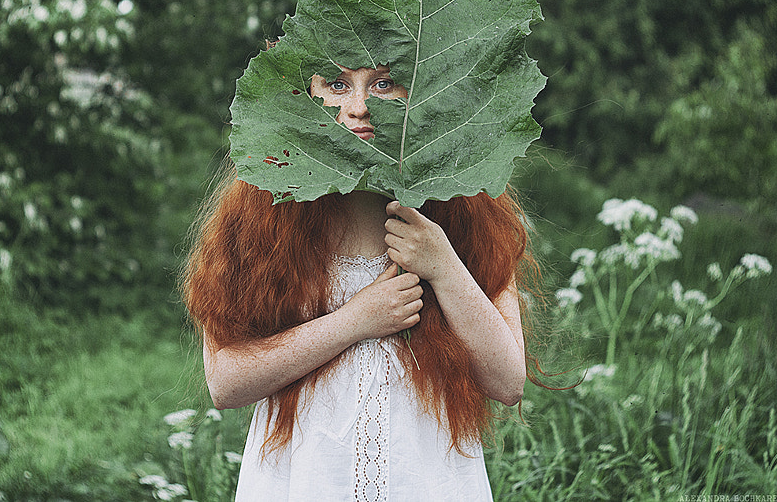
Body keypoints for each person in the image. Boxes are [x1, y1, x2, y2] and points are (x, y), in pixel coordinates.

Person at [182, 63, 547, 501]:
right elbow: (225, 382)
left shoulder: (466, 211)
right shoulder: (260, 218)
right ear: (304, 93)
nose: (358, 108)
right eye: (337, 85)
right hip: (305, 484)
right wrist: (355, 320)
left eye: (383, 83)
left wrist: (444, 264)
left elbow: (507, 383)